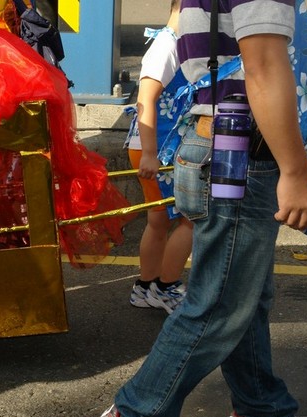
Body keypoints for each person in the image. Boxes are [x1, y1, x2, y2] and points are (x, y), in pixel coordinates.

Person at [91, 0, 307, 417]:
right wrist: (296, 172)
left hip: (216, 143)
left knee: (244, 296)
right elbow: (263, 65)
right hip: (241, 153)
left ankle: (264, 414)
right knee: (220, 302)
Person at [126, 0, 192, 315]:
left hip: (160, 147)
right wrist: (150, 154)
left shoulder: (177, 43)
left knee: (160, 220)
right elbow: (145, 100)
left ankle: (146, 287)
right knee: (192, 219)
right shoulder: (168, 45)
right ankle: (166, 287)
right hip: (156, 148)